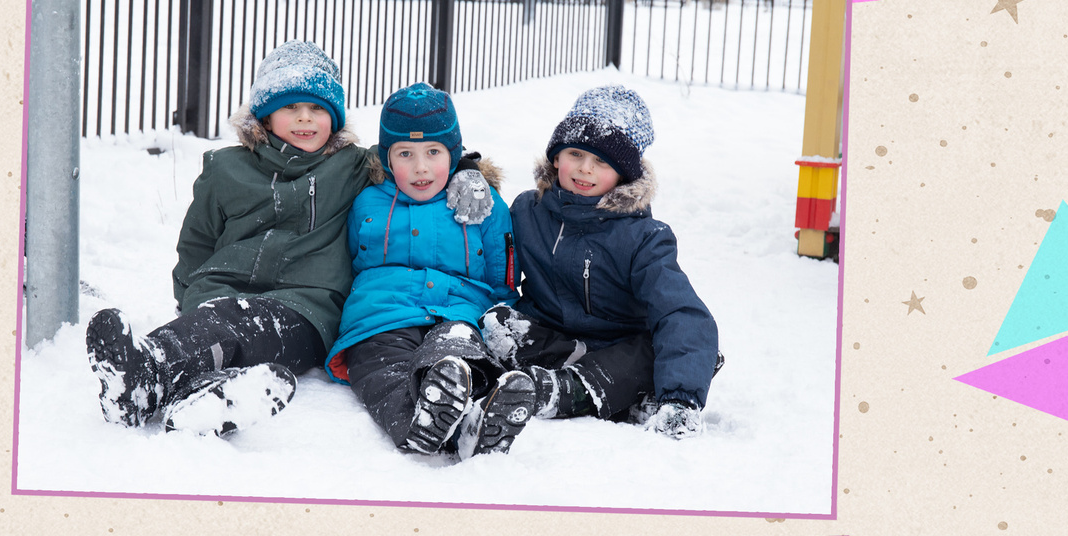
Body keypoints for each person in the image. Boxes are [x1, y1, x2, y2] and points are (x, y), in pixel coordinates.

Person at [86, 42, 494, 439]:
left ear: (334, 117)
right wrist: (191, 295)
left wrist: (467, 170)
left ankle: (155, 379)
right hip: (221, 293)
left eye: (318, 108)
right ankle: (157, 382)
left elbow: (412, 154)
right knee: (215, 323)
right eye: (290, 107)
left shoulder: (351, 166)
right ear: (264, 116)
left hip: (306, 308)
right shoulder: (226, 168)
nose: (305, 119)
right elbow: (196, 243)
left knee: (243, 325)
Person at [485, 85, 720, 440]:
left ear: (624, 175)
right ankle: (625, 397)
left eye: (602, 162)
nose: (585, 169)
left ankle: (563, 392)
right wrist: (467, 174)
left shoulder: (644, 238)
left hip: (618, 348)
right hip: (553, 337)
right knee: (497, 321)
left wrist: (682, 397)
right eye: (576, 154)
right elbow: (484, 252)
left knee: (658, 347)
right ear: (556, 158)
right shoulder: (527, 211)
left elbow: (680, 311)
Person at [325, 84, 533, 458]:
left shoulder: (480, 202)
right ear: (386, 158)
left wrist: (503, 317)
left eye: (433, 153)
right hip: (383, 315)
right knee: (382, 370)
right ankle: (420, 424)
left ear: (454, 155)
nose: (420, 167)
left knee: (458, 351)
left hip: (457, 311)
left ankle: (474, 409)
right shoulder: (366, 200)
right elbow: (350, 258)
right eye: (405, 154)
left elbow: (502, 271)